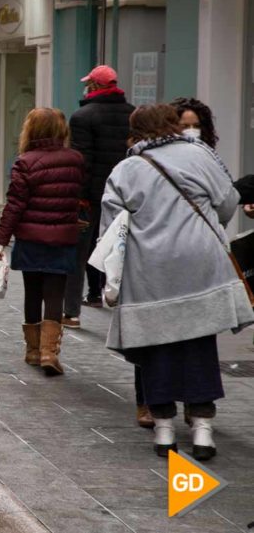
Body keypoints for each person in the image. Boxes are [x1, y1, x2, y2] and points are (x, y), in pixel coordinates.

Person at [102, 104, 254, 460]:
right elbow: (227, 203)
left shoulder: (125, 170)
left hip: (149, 269)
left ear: (136, 131)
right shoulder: (201, 156)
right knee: (199, 345)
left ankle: (164, 430)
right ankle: (202, 431)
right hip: (200, 262)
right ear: (172, 125)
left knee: (157, 349)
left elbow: (111, 228)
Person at [0, 109, 84, 377]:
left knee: (33, 292)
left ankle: (33, 351)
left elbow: (15, 205)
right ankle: (50, 352)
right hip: (63, 238)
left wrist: (1, 239)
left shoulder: (25, 162)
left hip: (31, 238)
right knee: (55, 294)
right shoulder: (76, 160)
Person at [64, 65, 134, 328]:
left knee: (79, 253)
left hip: (93, 196)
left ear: (93, 86)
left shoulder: (83, 116)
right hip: (127, 194)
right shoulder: (132, 114)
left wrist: (78, 197)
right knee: (127, 251)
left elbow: (83, 161)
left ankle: (71, 312)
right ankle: (125, 308)